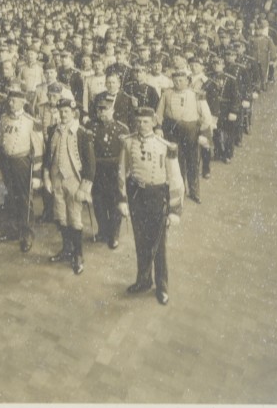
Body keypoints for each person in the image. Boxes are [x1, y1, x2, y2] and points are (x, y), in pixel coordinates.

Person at [117, 107, 183, 305]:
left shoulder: (165, 146)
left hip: (157, 197)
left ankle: (162, 287)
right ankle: (143, 280)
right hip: (137, 196)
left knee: (159, 245)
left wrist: (174, 210)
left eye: (146, 121)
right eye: (138, 121)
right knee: (141, 242)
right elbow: (122, 172)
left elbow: (176, 180)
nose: (141, 125)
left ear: (154, 122)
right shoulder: (128, 142)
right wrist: (122, 200)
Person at [44, 98, 96, 274]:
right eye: (61, 111)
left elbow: (90, 164)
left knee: (74, 217)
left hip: (74, 180)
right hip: (56, 178)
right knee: (61, 216)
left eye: (67, 111)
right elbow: (47, 155)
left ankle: (78, 254)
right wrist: (47, 176)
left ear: (74, 113)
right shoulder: (54, 130)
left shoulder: (82, 133)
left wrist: (84, 187)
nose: (63, 114)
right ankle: (66, 249)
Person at [0, 87, 44, 252]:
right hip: (6, 162)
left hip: (22, 162)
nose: (11, 102)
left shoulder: (31, 121)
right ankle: (12, 230)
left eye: (14, 100)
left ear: (23, 102)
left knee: (24, 199)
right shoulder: (3, 119)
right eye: (9, 100)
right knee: (9, 197)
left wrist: (37, 175)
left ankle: (27, 234)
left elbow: (38, 149)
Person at [88, 96, 130, 250]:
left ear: (112, 110)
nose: (101, 112)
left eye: (105, 109)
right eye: (99, 109)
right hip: (97, 169)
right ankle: (102, 231)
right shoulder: (90, 126)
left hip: (114, 170)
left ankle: (114, 234)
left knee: (114, 203)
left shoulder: (121, 129)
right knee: (98, 202)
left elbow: (126, 154)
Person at [155, 68, 202, 203]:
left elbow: (204, 114)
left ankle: (194, 191)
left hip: (190, 131)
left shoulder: (195, 95)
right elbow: (159, 112)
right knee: (176, 162)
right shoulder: (167, 94)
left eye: (181, 80)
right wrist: (158, 127)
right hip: (172, 131)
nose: (178, 83)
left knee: (192, 161)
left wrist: (203, 132)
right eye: (175, 80)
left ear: (187, 81)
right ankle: (179, 191)